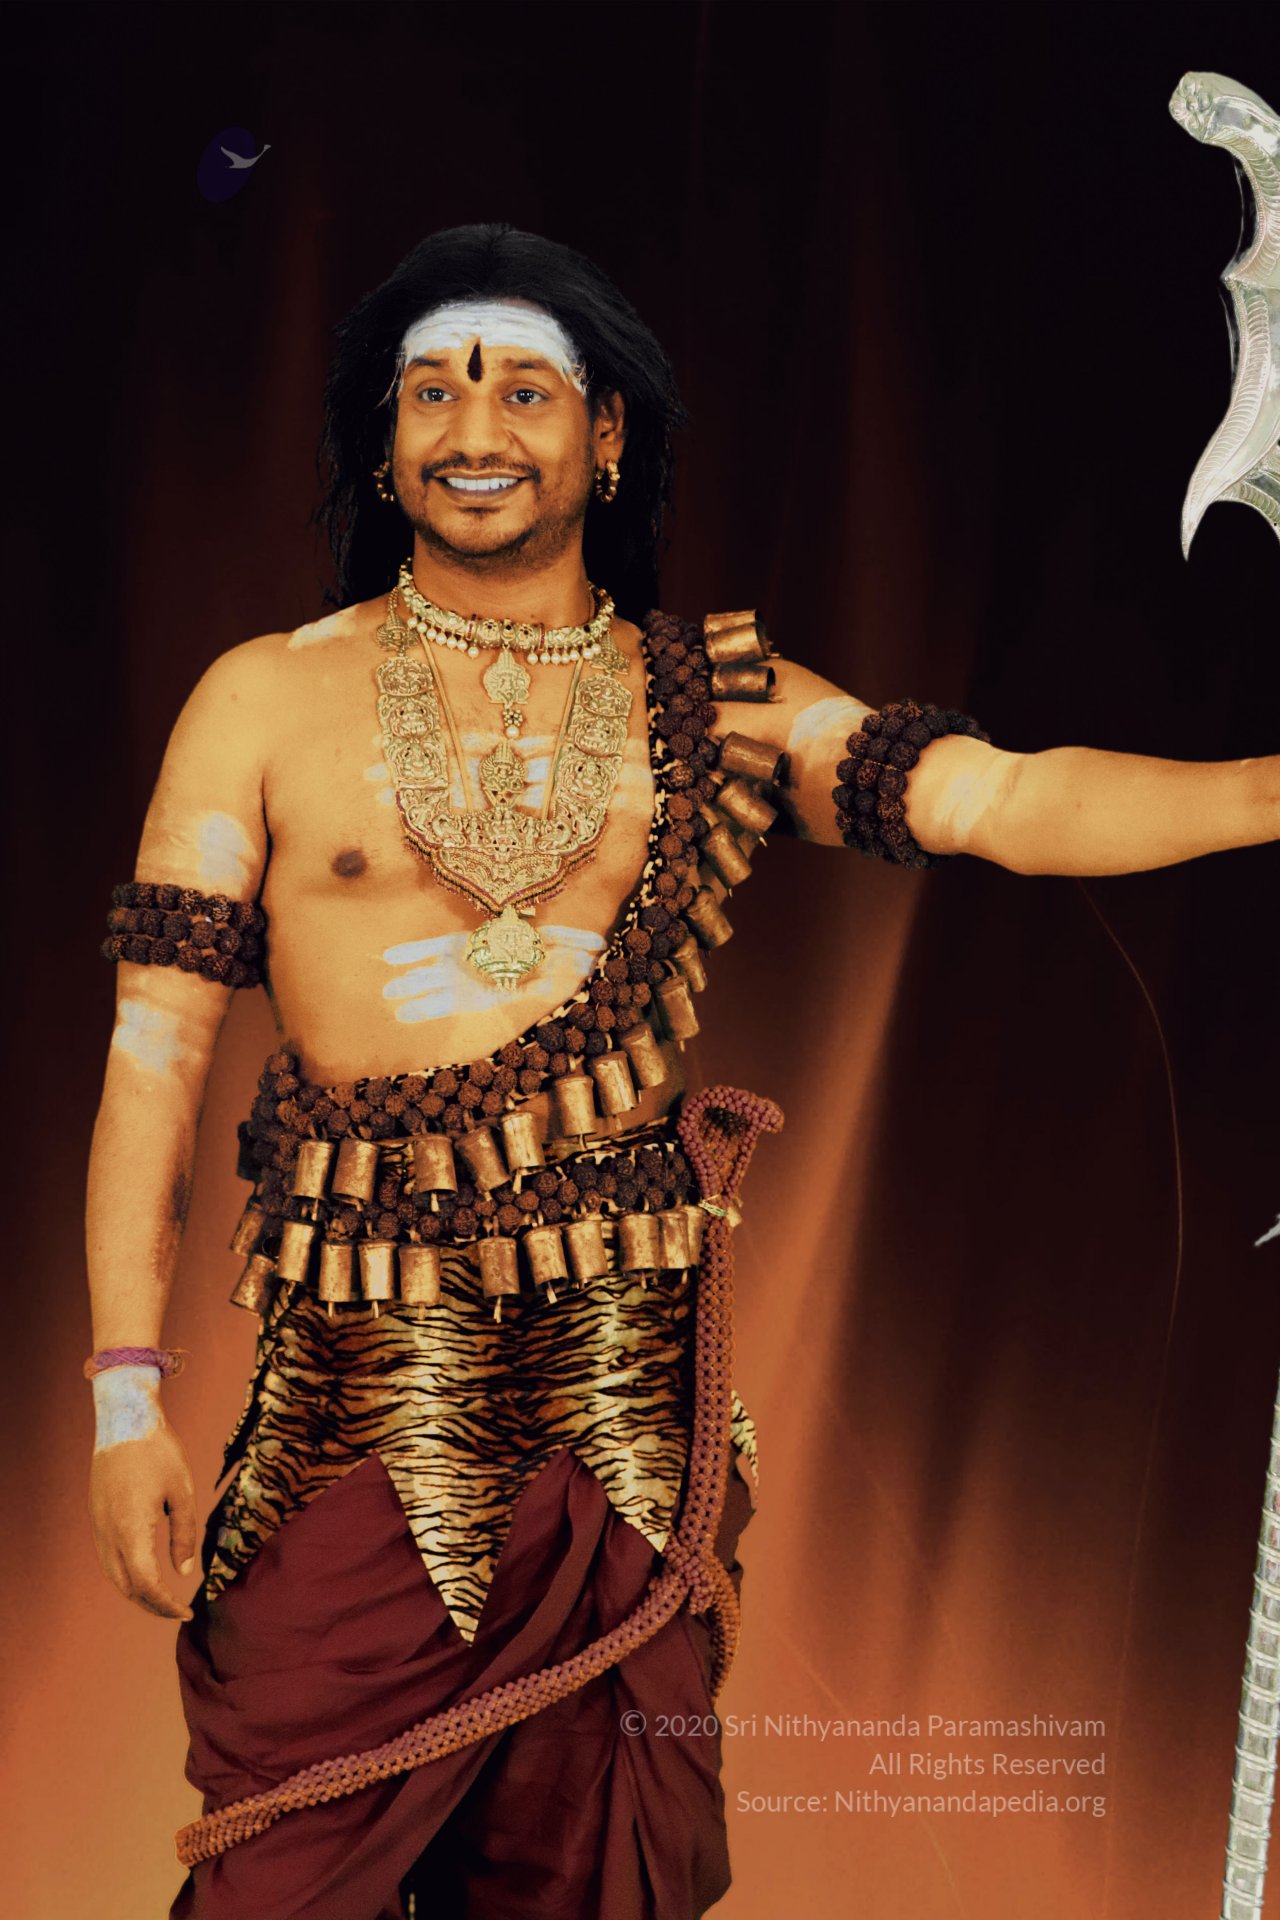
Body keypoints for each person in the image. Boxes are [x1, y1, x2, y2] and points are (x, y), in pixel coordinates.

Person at [84, 222, 1280, 1920]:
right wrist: (124, 1396)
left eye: (522, 390)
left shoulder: (714, 705)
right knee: (278, 1870)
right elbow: (153, 1059)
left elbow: (998, 800)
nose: (473, 429)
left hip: (625, 1404)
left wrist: (1266, 790)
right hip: (355, 1387)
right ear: (384, 438)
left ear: (607, 437)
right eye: (430, 393)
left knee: (591, 1882)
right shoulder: (260, 704)